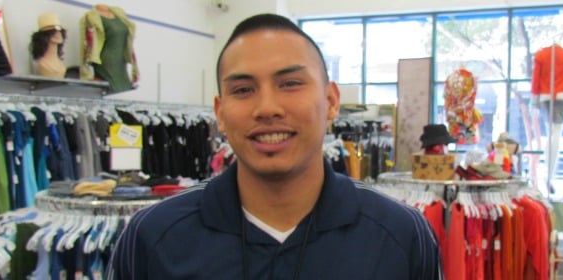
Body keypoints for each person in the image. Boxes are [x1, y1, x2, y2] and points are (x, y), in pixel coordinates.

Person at [106, 14, 440, 279]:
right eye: (243, 89)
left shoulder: (401, 234)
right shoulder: (152, 237)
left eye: (290, 84)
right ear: (220, 114)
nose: (267, 107)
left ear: (331, 101)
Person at [80, 4, 138, 93]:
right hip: (105, 61)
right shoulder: (91, 17)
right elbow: (87, 43)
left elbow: (128, 42)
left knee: (124, 90)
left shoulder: (120, 14)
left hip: (121, 61)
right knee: (113, 90)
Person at [30, 13, 66, 79]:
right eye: (54, 31)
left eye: (60, 30)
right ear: (45, 35)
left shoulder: (60, 62)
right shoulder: (40, 63)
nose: (58, 33)